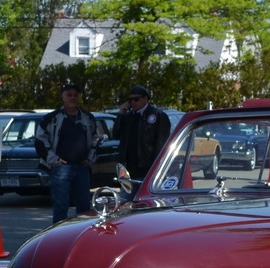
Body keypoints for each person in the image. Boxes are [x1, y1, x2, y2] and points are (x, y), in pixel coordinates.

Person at [36, 82, 98, 224]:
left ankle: (83, 238)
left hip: (82, 168)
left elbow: (96, 138)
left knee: (84, 208)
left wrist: (90, 159)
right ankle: (58, 239)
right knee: (61, 206)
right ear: (62, 97)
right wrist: (53, 159)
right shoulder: (52, 118)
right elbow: (40, 139)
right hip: (61, 168)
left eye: (75, 95)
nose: (73, 98)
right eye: (69, 95)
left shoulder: (88, 118)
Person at [113, 85, 171, 192]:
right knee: (126, 202)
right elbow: (116, 135)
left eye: (136, 99)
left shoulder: (157, 115)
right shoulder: (128, 116)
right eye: (130, 100)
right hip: (129, 170)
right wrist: (120, 116)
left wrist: (156, 166)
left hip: (147, 169)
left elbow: (161, 143)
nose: (133, 102)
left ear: (145, 98)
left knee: (147, 201)